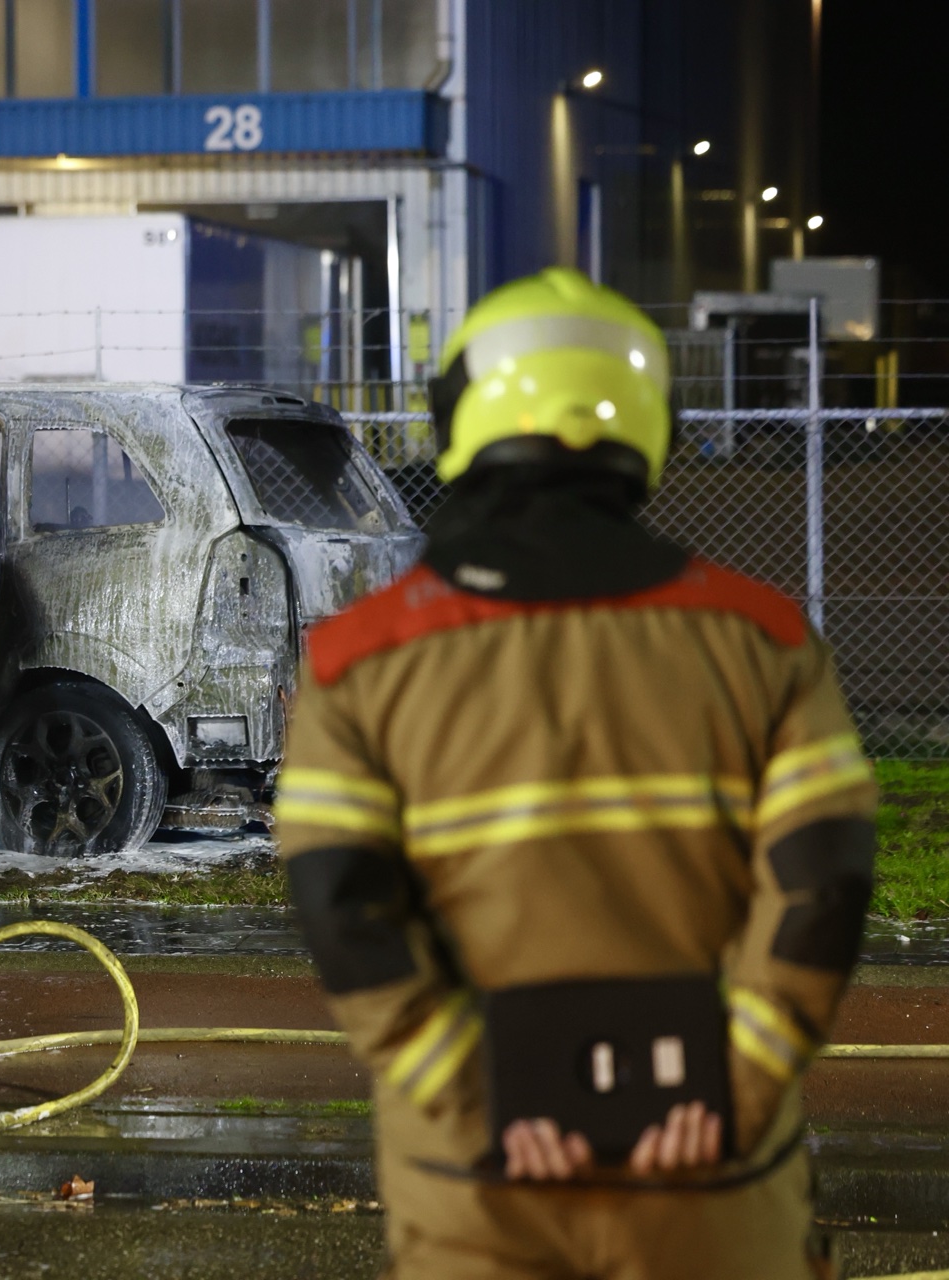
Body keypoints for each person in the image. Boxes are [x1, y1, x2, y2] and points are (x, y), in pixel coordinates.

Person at [276, 268, 877, 1278]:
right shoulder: (764, 639)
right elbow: (823, 882)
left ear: (463, 419)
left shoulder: (358, 660)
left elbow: (347, 913)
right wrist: (735, 1083)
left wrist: (480, 1104)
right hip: (711, 1175)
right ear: (648, 424)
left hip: (478, 1185)